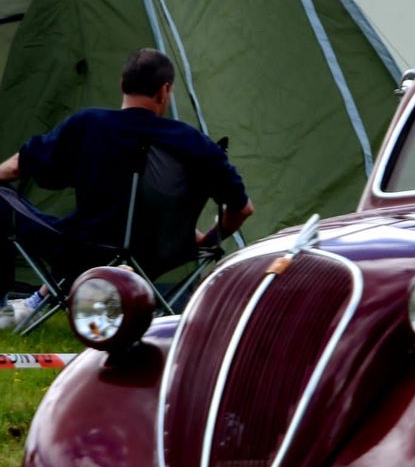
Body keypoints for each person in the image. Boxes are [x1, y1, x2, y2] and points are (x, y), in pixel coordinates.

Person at [0, 48, 254, 330]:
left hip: (79, 246)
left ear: (122, 84)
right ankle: (47, 298)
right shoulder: (194, 142)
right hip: (158, 253)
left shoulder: (89, 124)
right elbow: (242, 209)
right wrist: (204, 241)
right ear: (164, 90)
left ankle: (10, 308)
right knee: (94, 233)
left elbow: (18, 167)